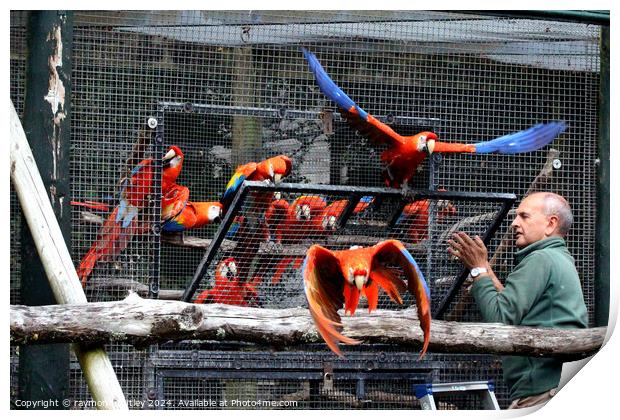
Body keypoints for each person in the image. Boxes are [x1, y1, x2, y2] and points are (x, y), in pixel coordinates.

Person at [447, 192, 588, 409]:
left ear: (551, 224)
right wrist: (484, 270)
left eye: (524, 216)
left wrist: (478, 270)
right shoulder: (557, 258)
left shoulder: (540, 259)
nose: (514, 223)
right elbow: (514, 308)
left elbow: (501, 318)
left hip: (541, 391)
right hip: (552, 386)